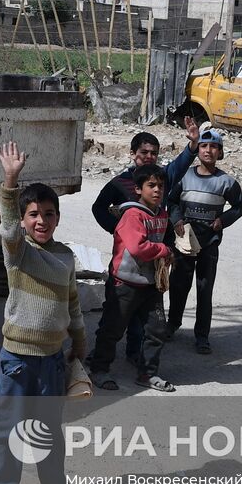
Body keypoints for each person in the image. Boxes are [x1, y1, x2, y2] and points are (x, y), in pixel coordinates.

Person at [0, 140, 91, 484]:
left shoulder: (64, 257)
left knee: (49, 430)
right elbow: (8, 228)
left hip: (52, 360)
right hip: (17, 361)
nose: (40, 221)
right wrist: (10, 180)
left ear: (58, 218)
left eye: (48, 213)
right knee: (7, 431)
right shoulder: (20, 253)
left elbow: (74, 305)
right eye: (33, 214)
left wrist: (78, 347)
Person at [90, 119, 198, 363]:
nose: (149, 157)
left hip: (153, 266)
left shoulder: (161, 178)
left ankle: (135, 357)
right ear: (132, 154)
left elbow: (180, 165)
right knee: (115, 317)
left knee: (144, 319)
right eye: (144, 153)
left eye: (154, 153)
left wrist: (192, 145)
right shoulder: (121, 182)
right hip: (127, 267)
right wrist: (119, 231)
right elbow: (98, 208)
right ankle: (98, 360)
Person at [88, 164, 175, 392]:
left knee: (156, 330)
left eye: (161, 186)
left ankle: (148, 373)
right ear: (138, 189)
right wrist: (164, 251)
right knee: (113, 329)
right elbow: (137, 248)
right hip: (125, 283)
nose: (157, 190)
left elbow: (164, 238)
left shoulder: (161, 214)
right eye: (151, 185)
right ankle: (99, 368)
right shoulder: (132, 215)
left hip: (150, 284)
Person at [166, 128, 242, 354]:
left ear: (220, 152)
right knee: (178, 286)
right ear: (198, 150)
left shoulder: (226, 182)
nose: (208, 150)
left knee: (204, 290)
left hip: (209, 244)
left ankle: (202, 336)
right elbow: (171, 201)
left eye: (213, 147)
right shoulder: (184, 176)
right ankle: (172, 324)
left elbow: (240, 205)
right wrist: (176, 220)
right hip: (184, 243)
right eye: (203, 146)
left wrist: (223, 220)